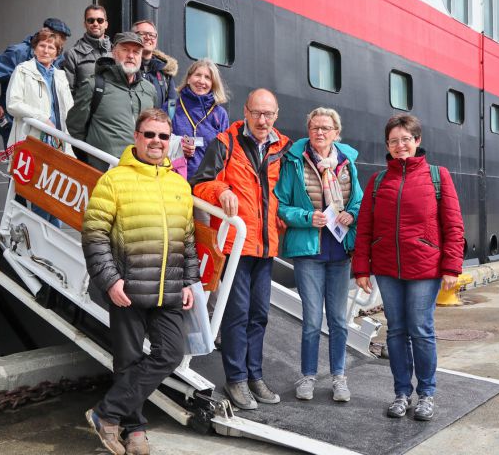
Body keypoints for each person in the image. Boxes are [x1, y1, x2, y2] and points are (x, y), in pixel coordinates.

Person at [82, 108, 199, 455]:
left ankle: (105, 413)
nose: (156, 142)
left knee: (170, 353)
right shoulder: (114, 180)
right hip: (128, 289)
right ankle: (133, 432)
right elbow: (94, 234)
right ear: (136, 137)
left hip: (170, 290)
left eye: (163, 136)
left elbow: (187, 239)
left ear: (169, 141)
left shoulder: (179, 184)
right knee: (129, 361)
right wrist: (109, 280)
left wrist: (190, 281)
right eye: (150, 135)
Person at [352, 114, 464, 421]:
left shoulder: (437, 176)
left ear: (417, 141)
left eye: (405, 139)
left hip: (425, 268)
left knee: (421, 329)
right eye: (393, 140)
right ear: (387, 144)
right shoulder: (378, 181)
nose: (400, 145)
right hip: (388, 268)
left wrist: (451, 267)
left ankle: (426, 394)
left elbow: (453, 224)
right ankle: (401, 393)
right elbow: (365, 228)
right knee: (396, 331)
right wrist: (361, 267)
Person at [191, 88, 292, 410]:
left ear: (276, 115)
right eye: (257, 113)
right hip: (236, 246)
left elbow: (292, 191)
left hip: (265, 246)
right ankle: (235, 380)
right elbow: (200, 183)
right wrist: (221, 191)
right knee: (237, 316)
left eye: (269, 114)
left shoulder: (284, 148)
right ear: (246, 112)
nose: (263, 121)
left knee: (260, 316)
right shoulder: (226, 143)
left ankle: (255, 377)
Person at [275, 107, 363, 402]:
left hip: (340, 253)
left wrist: (351, 213)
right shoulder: (294, 161)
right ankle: (308, 376)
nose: (320, 133)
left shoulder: (347, 163)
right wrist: (306, 216)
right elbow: (281, 205)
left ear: (336, 133)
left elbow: (359, 202)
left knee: (338, 320)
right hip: (308, 252)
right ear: (308, 130)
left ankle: (339, 377)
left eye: (326, 128)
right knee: (312, 320)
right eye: (314, 128)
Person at [6, 28, 74, 227]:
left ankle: (54, 242)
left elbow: (68, 109)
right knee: (38, 196)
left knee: (57, 197)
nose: (46, 50)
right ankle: (38, 245)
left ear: (57, 52)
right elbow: (13, 104)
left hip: (59, 143)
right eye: (42, 45)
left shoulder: (60, 76)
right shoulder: (23, 70)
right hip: (35, 140)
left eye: (51, 47)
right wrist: (42, 118)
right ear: (35, 48)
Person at [66, 32, 157, 172]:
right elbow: (75, 127)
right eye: (125, 50)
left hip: (141, 171)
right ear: (114, 53)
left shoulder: (149, 89)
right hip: (105, 171)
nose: (131, 56)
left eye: (136, 52)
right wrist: (95, 157)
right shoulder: (93, 85)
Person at [0, 18, 71, 147]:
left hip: (53, 130)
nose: (47, 49)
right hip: (18, 123)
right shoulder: (19, 54)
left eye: (62, 38)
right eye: (56, 35)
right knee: (21, 164)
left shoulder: (58, 63)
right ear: (44, 31)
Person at [171, 58, 230, 181]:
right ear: (188, 79)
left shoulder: (219, 114)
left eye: (207, 77)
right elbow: (160, 142)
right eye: (197, 75)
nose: (202, 81)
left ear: (213, 83)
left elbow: (226, 155)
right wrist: (178, 145)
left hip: (208, 184)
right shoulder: (171, 108)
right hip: (175, 180)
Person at [62, 4, 112, 92]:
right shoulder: (73, 54)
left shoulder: (117, 52)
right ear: (85, 24)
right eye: (90, 20)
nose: (95, 24)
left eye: (100, 20)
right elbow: (68, 92)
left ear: (106, 24)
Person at [131, 20, 178, 110]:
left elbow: (172, 105)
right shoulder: (126, 67)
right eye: (142, 34)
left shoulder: (165, 71)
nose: (148, 37)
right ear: (132, 36)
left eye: (152, 35)